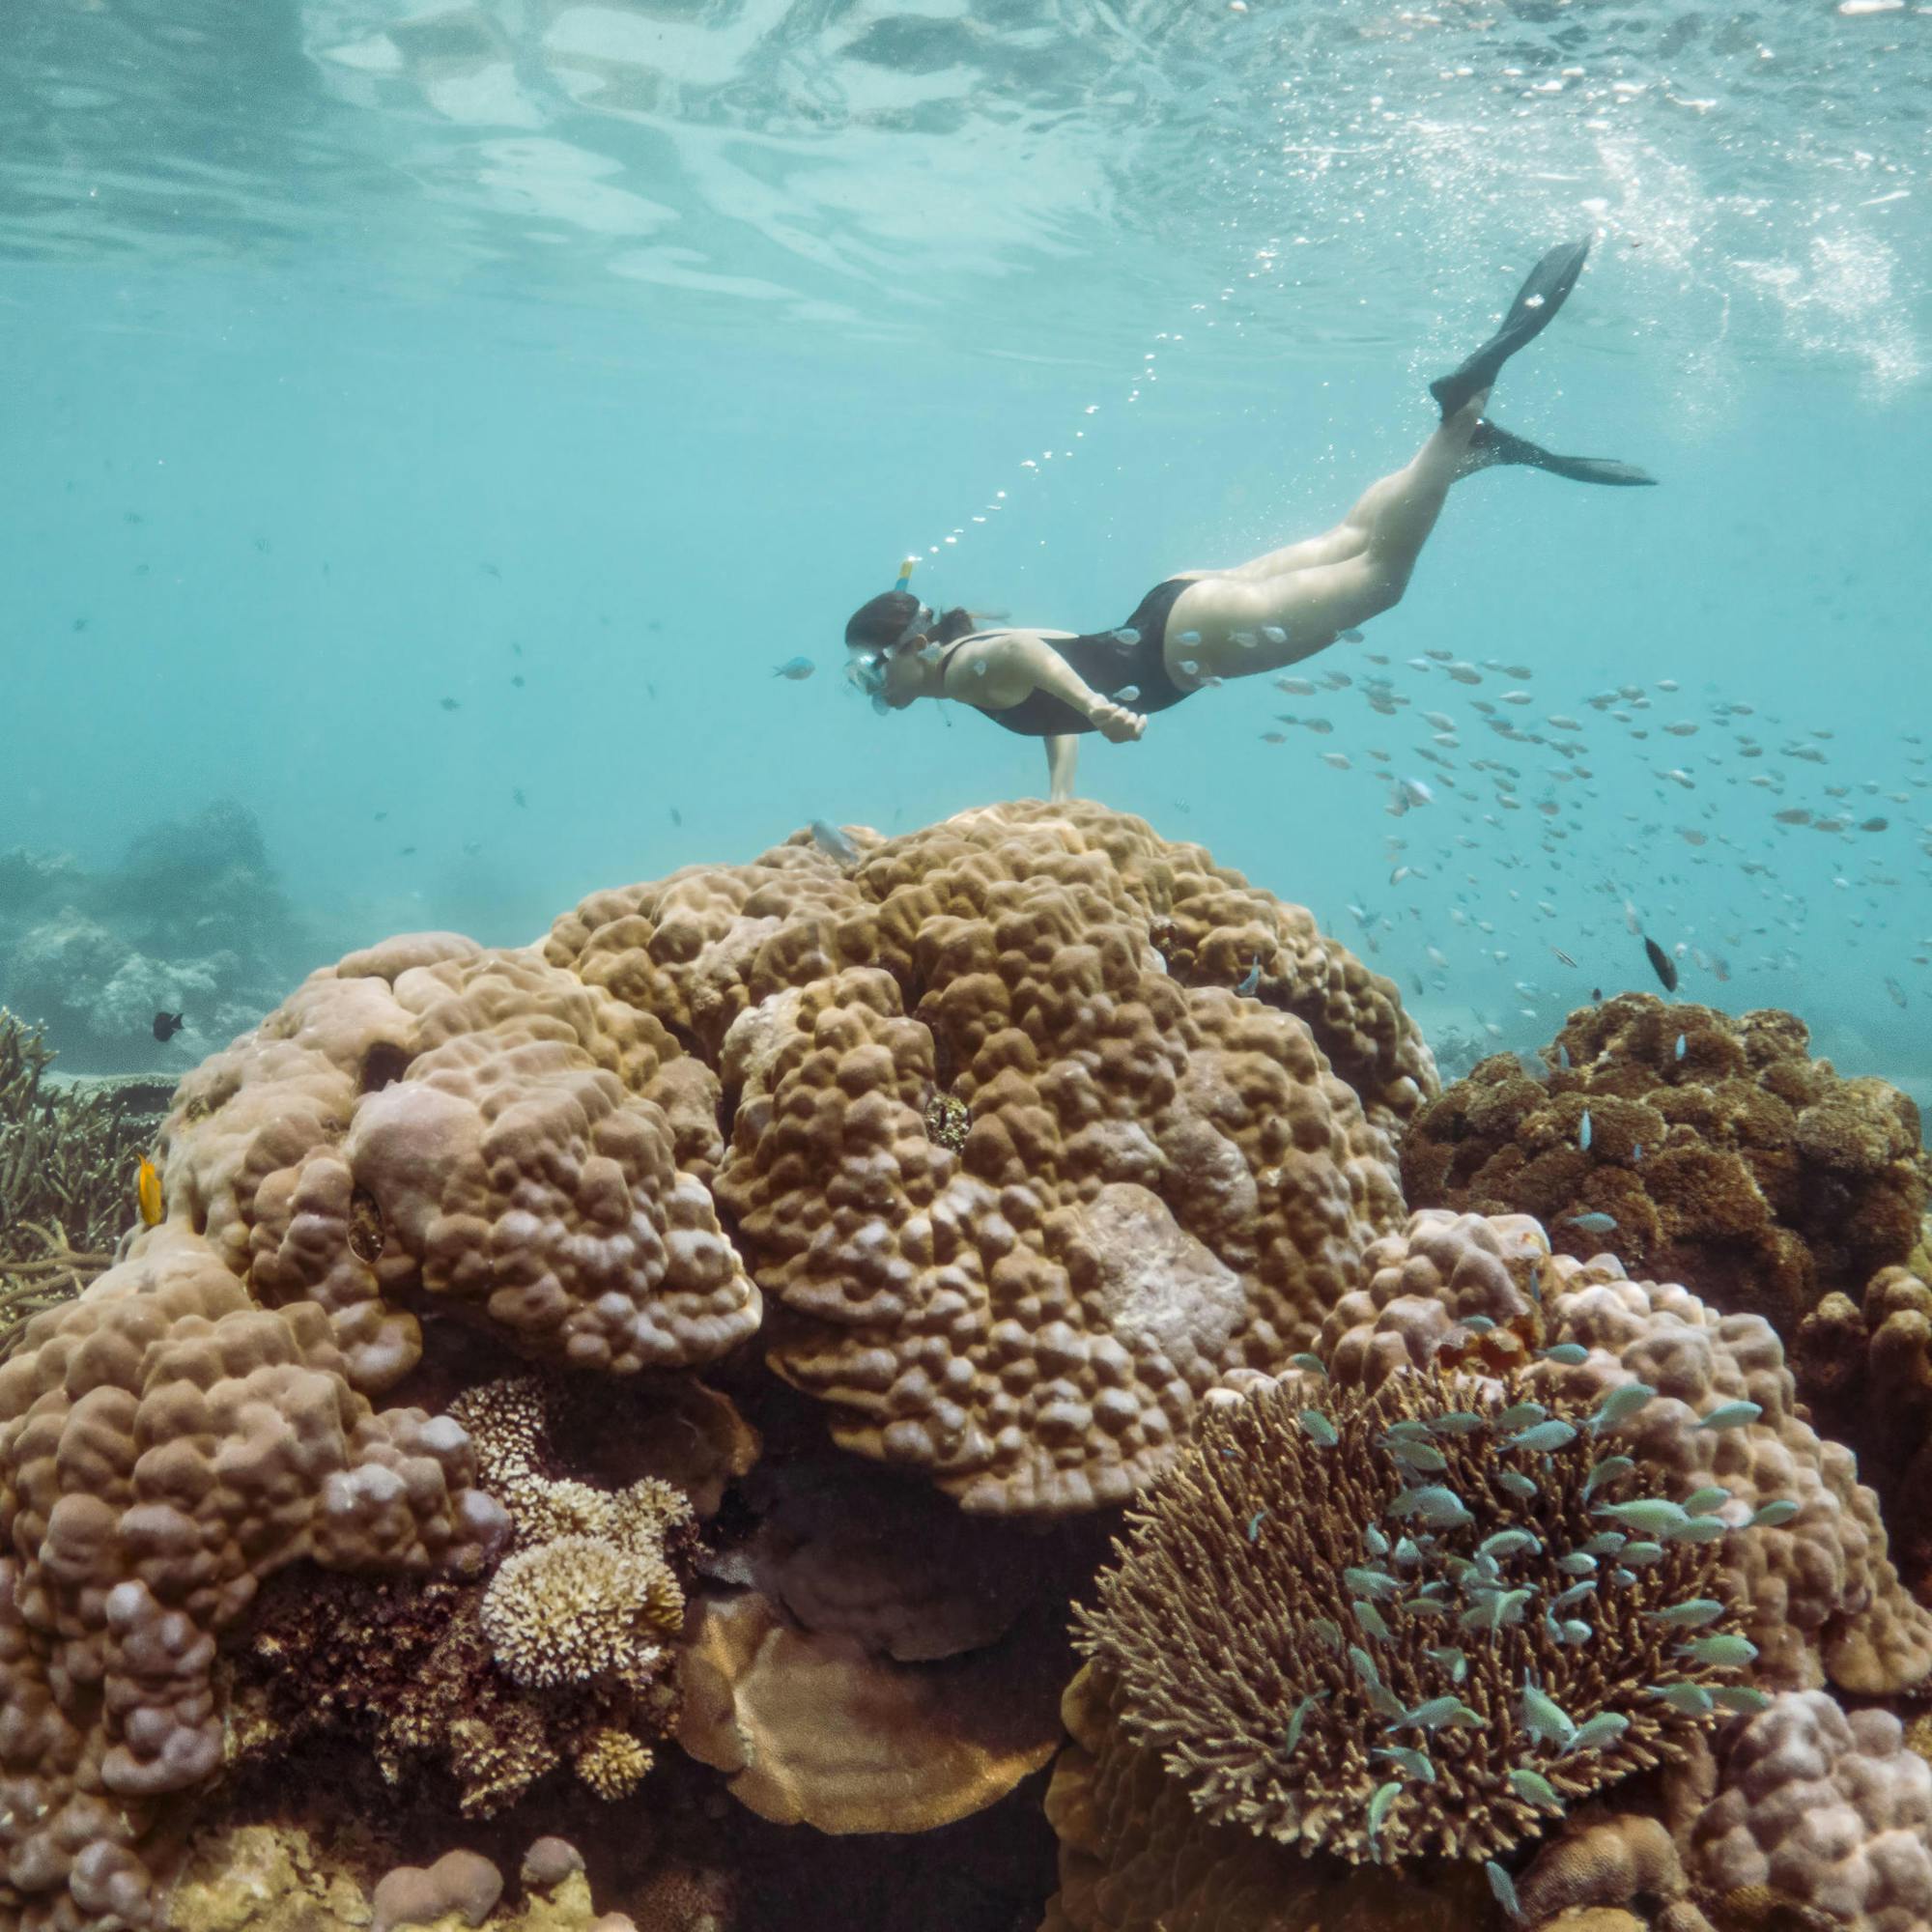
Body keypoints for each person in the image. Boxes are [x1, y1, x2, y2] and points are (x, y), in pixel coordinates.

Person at [844, 238, 1654, 804]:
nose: (874, 689)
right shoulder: (965, 662)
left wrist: (1096, 711)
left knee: (1380, 581)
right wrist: (1065, 792)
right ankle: (1459, 449)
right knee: (1350, 538)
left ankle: (1461, 418)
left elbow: (1031, 661)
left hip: (1187, 646)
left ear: (908, 650)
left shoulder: (965, 674)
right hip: (1177, 607)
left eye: (872, 671)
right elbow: (1044, 674)